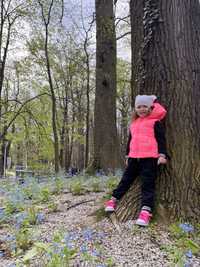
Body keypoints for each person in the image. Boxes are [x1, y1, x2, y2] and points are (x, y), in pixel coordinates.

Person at [105, 95, 168, 226]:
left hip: (150, 158)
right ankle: (114, 199)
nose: (142, 109)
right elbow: (130, 141)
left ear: (151, 107)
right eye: (139, 107)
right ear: (135, 109)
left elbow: (161, 139)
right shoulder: (134, 124)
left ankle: (146, 211)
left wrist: (162, 155)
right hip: (134, 158)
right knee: (125, 179)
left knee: (147, 184)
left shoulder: (154, 122)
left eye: (145, 106)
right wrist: (128, 155)